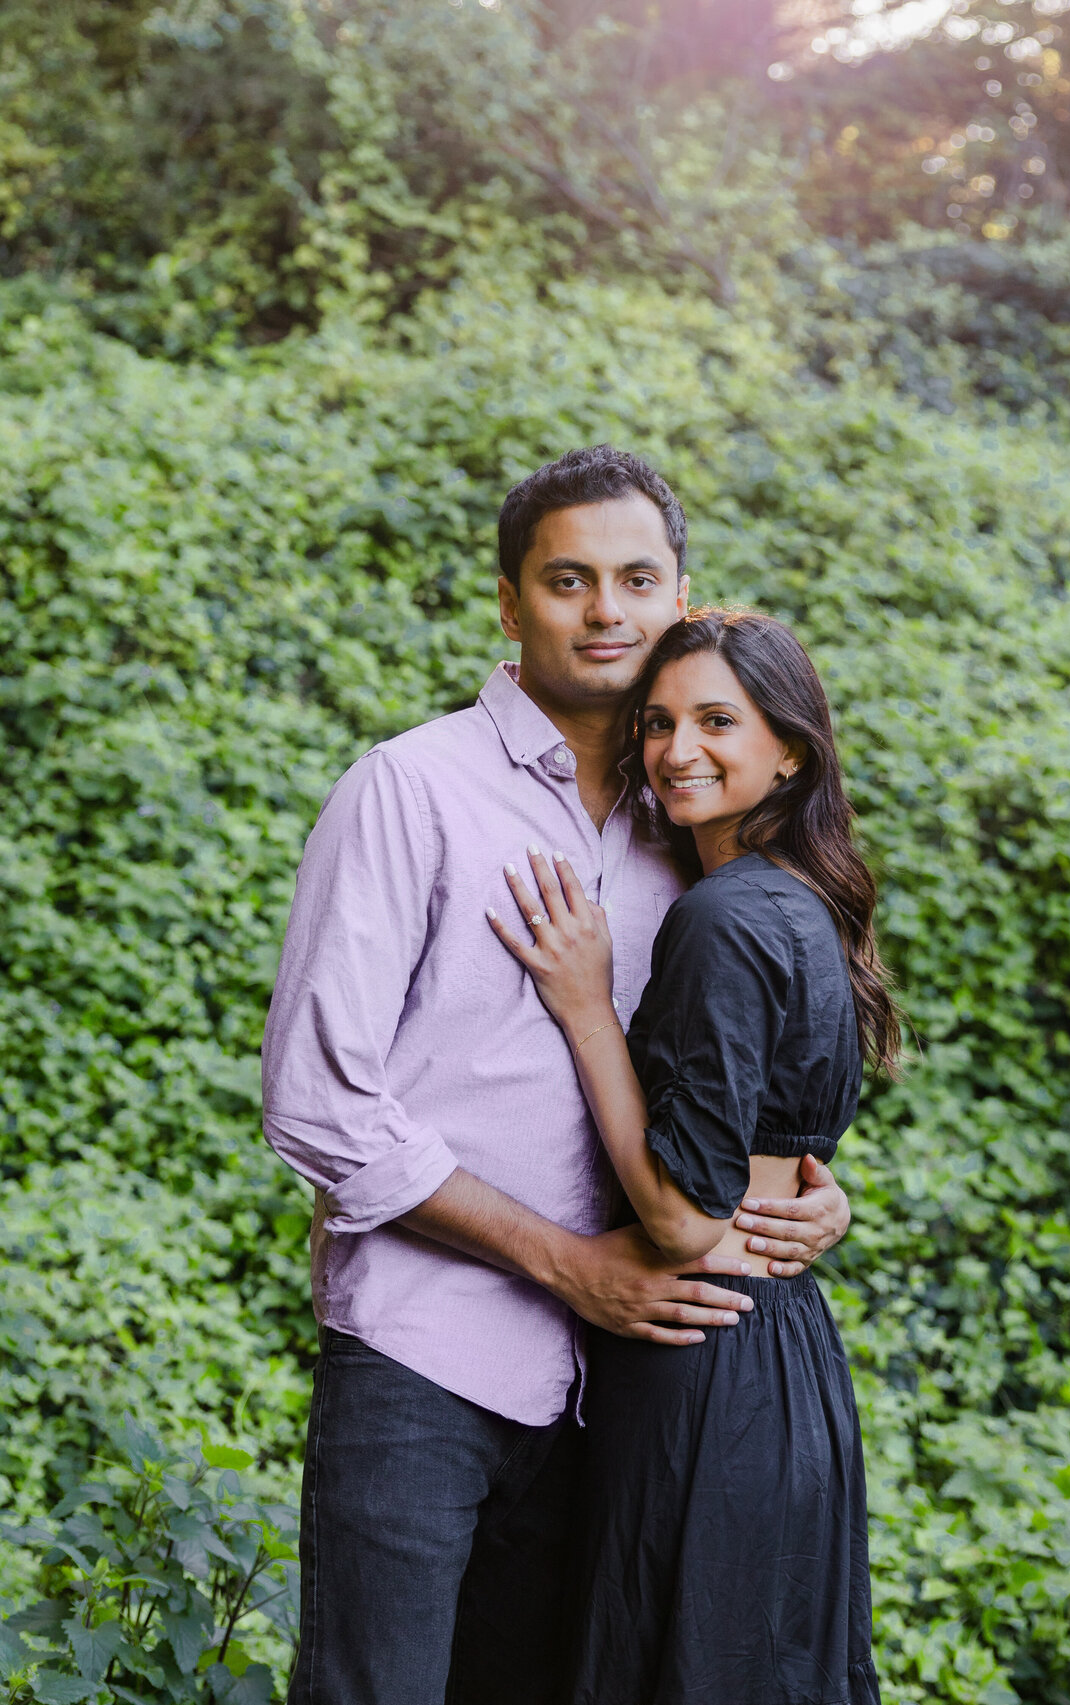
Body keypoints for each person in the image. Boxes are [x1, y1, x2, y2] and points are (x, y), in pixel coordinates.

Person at [261, 447, 853, 1705]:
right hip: (430, 1360)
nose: (604, 611)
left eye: (636, 578)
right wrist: (564, 1262)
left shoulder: (690, 820)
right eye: (567, 580)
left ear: (680, 591)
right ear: (509, 602)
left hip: (625, 1396)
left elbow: (721, 1076)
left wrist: (807, 1190)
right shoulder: (410, 792)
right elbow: (319, 1105)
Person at [488, 606, 901, 1705]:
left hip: (703, 1349)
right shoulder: (803, 905)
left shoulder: (722, 916)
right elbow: (780, 1147)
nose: (678, 750)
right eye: (660, 723)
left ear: (791, 749)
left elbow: (678, 1216)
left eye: (719, 720)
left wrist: (583, 1006)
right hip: (788, 1354)